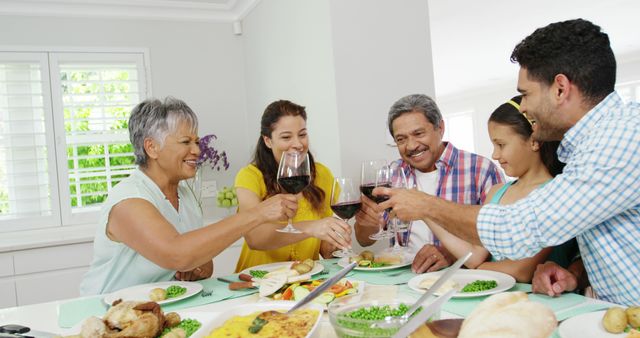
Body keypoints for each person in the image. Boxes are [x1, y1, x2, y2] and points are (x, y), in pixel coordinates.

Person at [377, 19, 640, 306]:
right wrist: (574, 272)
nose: (523, 106)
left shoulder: (620, 140)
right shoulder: (598, 142)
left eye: (526, 93)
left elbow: (519, 227)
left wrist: (425, 205)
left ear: (561, 89)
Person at [80, 97, 297, 295]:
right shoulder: (128, 200)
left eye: (196, 141)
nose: (197, 150)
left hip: (161, 309)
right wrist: (257, 214)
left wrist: (198, 268)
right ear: (152, 148)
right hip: (108, 315)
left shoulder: (185, 194)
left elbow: (203, 262)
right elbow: (178, 254)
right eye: (186, 142)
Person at [425, 95, 578, 282]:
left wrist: (478, 268)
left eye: (501, 145)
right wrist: (425, 212)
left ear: (534, 140)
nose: (495, 155)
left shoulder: (556, 193)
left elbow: (520, 271)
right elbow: (473, 256)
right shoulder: (497, 192)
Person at [354, 94, 504, 273]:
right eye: (401, 139)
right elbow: (364, 240)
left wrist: (451, 254)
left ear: (440, 128)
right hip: (405, 278)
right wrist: (366, 223)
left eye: (418, 134)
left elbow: (498, 238)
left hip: (461, 278)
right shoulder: (392, 174)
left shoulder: (481, 169)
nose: (411, 146)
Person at [234, 100, 351, 272]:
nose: (297, 144)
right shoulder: (250, 176)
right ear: (268, 140)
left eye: (302, 134)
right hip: (256, 282)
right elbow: (255, 238)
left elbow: (324, 248)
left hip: (304, 280)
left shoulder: (321, 174)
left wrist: (334, 242)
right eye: (286, 137)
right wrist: (311, 228)